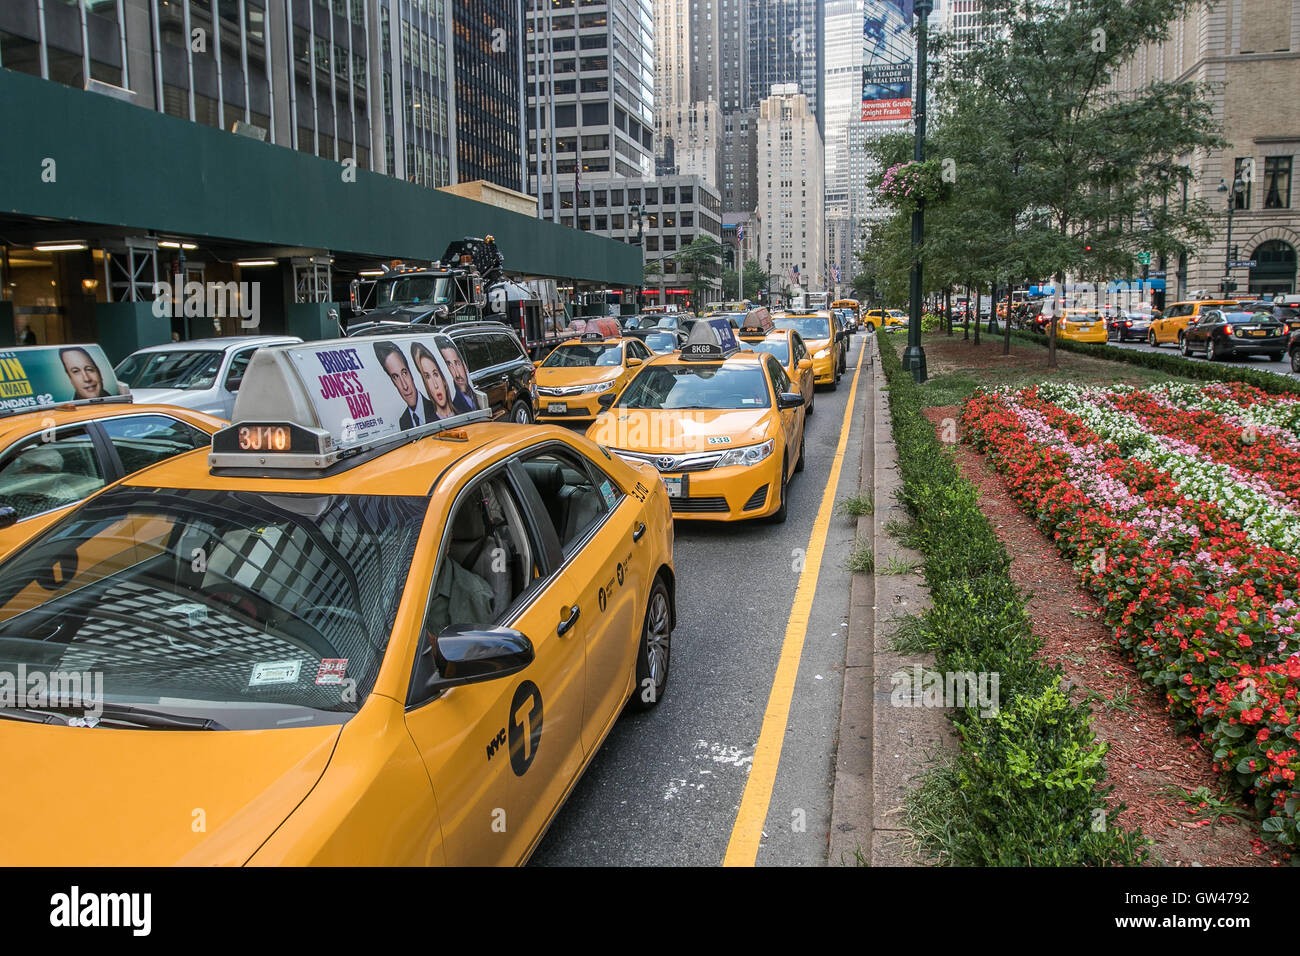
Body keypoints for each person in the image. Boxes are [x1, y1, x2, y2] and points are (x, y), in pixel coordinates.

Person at [373, 340, 436, 431]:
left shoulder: (436, 408)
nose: (405, 386)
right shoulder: (403, 421)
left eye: (404, 373)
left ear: (410, 373)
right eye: (396, 377)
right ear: (393, 382)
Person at [410, 341, 457, 421]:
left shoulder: (464, 412)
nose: (435, 385)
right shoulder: (429, 425)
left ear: (443, 380)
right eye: (427, 377)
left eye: (435, 374)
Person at [439, 343, 477, 413]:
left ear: (464, 365)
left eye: (457, 363)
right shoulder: (452, 404)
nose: (457, 374)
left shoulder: (473, 395)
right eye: (449, 365)